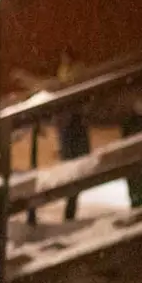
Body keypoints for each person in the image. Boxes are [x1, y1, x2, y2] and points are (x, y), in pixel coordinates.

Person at [54, 48, 91, 221]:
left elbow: (67, 89)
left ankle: (70, 210)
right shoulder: (64, 71)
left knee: (73, 171)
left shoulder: (76, 73)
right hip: (68, 125)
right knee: (71, 172)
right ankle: (70, 209)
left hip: (72, 125)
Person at [121, 96, 142, 209]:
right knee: (134, 181)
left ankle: (138, 200)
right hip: (133, 157)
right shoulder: (131, 122)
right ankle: (136, 200)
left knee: (138, 181)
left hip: (138, 157)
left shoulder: (141, 122)